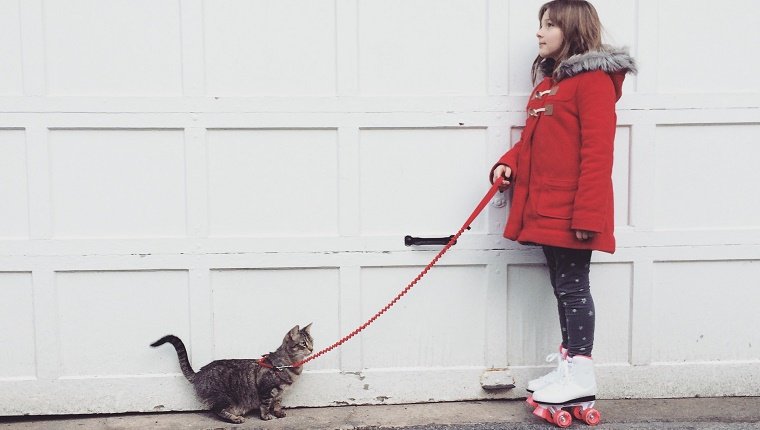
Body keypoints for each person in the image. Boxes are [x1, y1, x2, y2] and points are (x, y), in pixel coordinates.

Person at [489, 0, 636, 411]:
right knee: (562, 286)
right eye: (540, 23)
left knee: (573, 288)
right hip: (546, 207)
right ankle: (568, 365)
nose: (539, 32)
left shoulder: (593, 82)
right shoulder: (548, 86)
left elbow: (597, 153)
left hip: (573, 211)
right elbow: (531, 143)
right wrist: (507, 163)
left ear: (571, 30)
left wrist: (589, 215)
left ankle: (582, 373)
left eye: (550, 25)